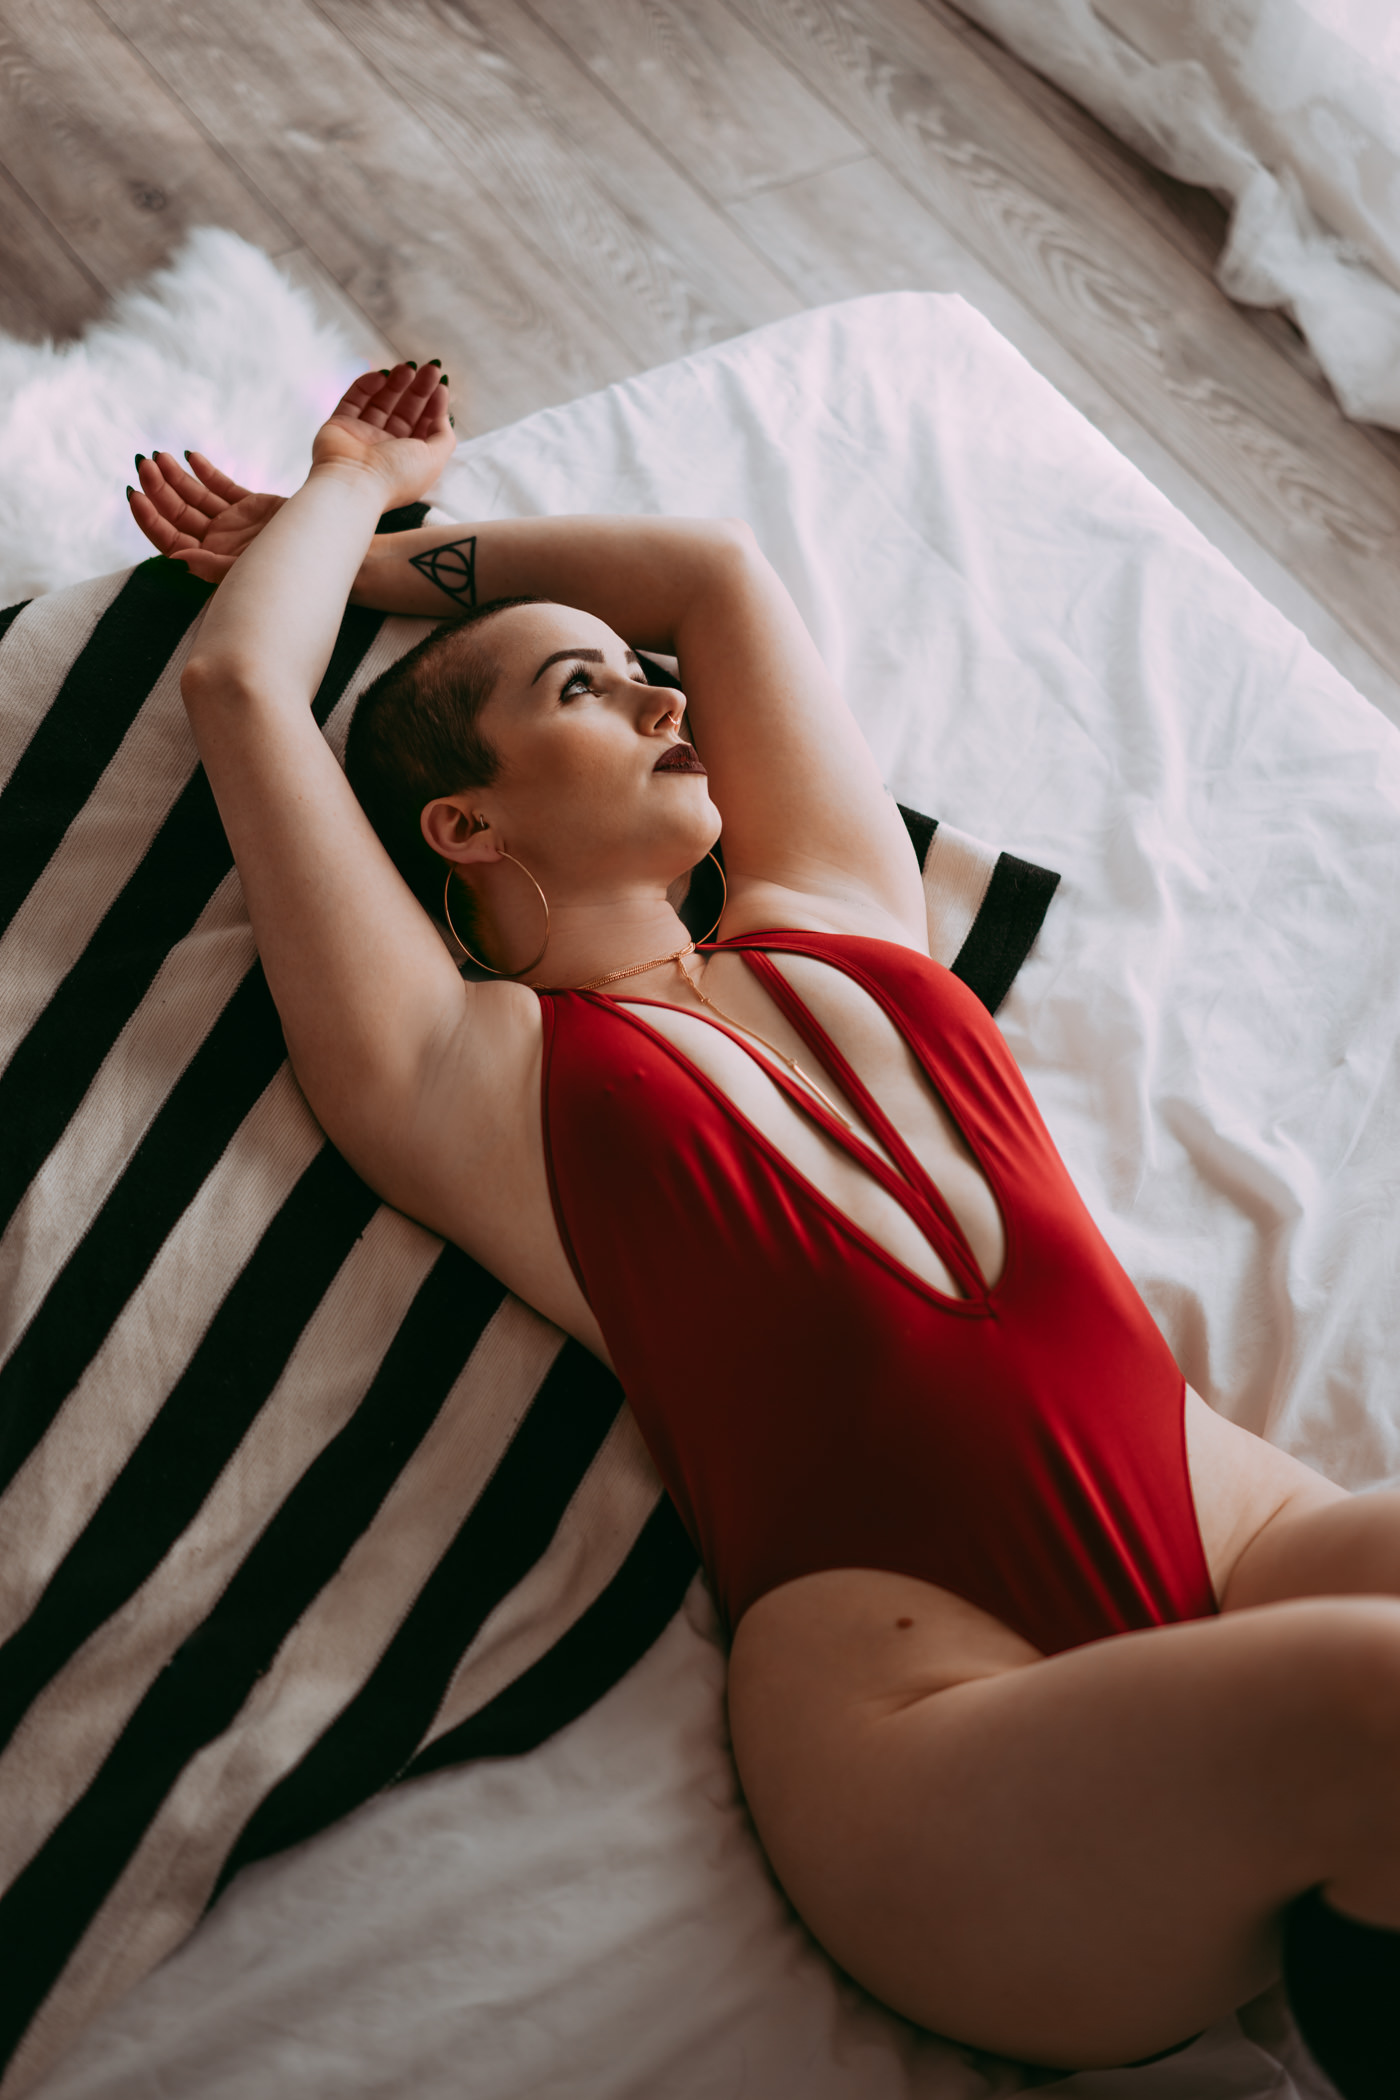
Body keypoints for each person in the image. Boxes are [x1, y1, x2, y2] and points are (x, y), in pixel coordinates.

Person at [128, 362, 1399, 2096]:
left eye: (638, 675)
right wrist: (349, 474)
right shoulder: (467, 1075)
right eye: (586, 688)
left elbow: (709, 575)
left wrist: (371, 556)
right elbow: (237, 687)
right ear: (466, 822)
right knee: (1375, 1699)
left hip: (1240, 1548)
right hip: (937, 1731)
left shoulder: (839, 905)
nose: (661, 696)